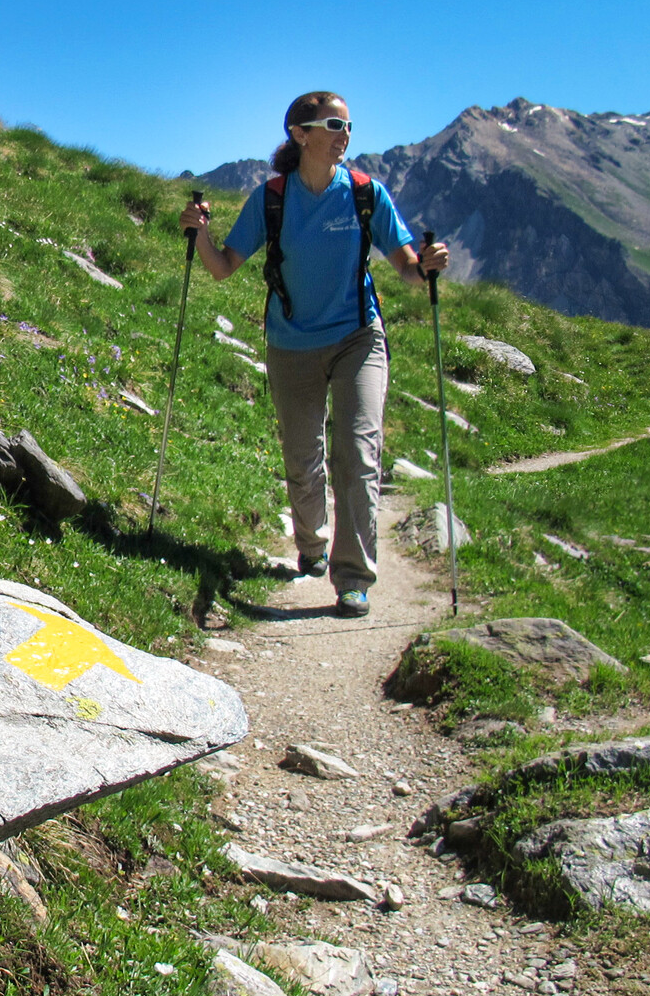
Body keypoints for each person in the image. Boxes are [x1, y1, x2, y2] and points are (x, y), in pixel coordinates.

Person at [179, 91, 448, 617]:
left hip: (358, 337)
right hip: (292, 343)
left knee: (359, 454)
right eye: (333, 124)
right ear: (301, 135)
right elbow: (223, 266)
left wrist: (429, 265)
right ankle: (311, 545)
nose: (345, 134)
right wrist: (200, 233)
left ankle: (353, 578)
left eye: (349, 125)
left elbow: (409, 267)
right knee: (304, 461)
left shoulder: (368, 194)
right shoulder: (273, 197)